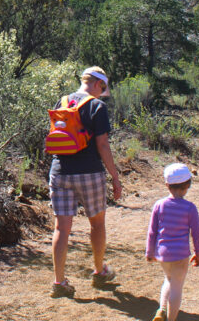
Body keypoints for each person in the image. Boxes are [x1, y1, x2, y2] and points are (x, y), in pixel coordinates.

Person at [49, 66, 122, 298]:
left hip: (59, 171)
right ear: (99, 85)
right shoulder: (97, 106)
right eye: (103, 88)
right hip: (89, 172)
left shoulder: (62, 101)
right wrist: (115, 176)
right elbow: (102, 145)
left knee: (61, 228)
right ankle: (100, 272)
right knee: (97, 224)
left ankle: (59, 282)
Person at [146, 163, 199, 321]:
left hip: (163, 253)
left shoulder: (159, 205)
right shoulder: (190, 208)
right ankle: (171, 319)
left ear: (167, 185)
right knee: (177, 286)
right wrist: (198, 253)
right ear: (188, 185)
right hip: (181, 254)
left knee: (168, 279)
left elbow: (152, 231)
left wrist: (150, 252)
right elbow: (196, 234)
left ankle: (161, 309)